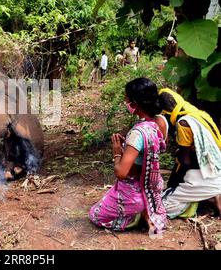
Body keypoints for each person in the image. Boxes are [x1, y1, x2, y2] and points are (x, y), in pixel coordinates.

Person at [89, 78, 168, 235]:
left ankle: (133, 216)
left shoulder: (137, 134)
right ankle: (147, 211)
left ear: (134, 103)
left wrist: (118, 151)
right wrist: (131, 148)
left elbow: (121, 172)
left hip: (134, 194)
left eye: (126, 98)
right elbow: (151, 151)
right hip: (152, 189)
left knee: (95, 214)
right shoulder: (161, 122)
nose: (125, 101)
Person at [159, 88, 221, 219]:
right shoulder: (197, 113)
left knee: (162, 206)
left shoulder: (183, 123)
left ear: (166, 113)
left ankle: (209, 194)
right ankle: (211, 196)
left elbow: (185, 161)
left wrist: (173, 185)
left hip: (208, 173)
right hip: (216, 166)